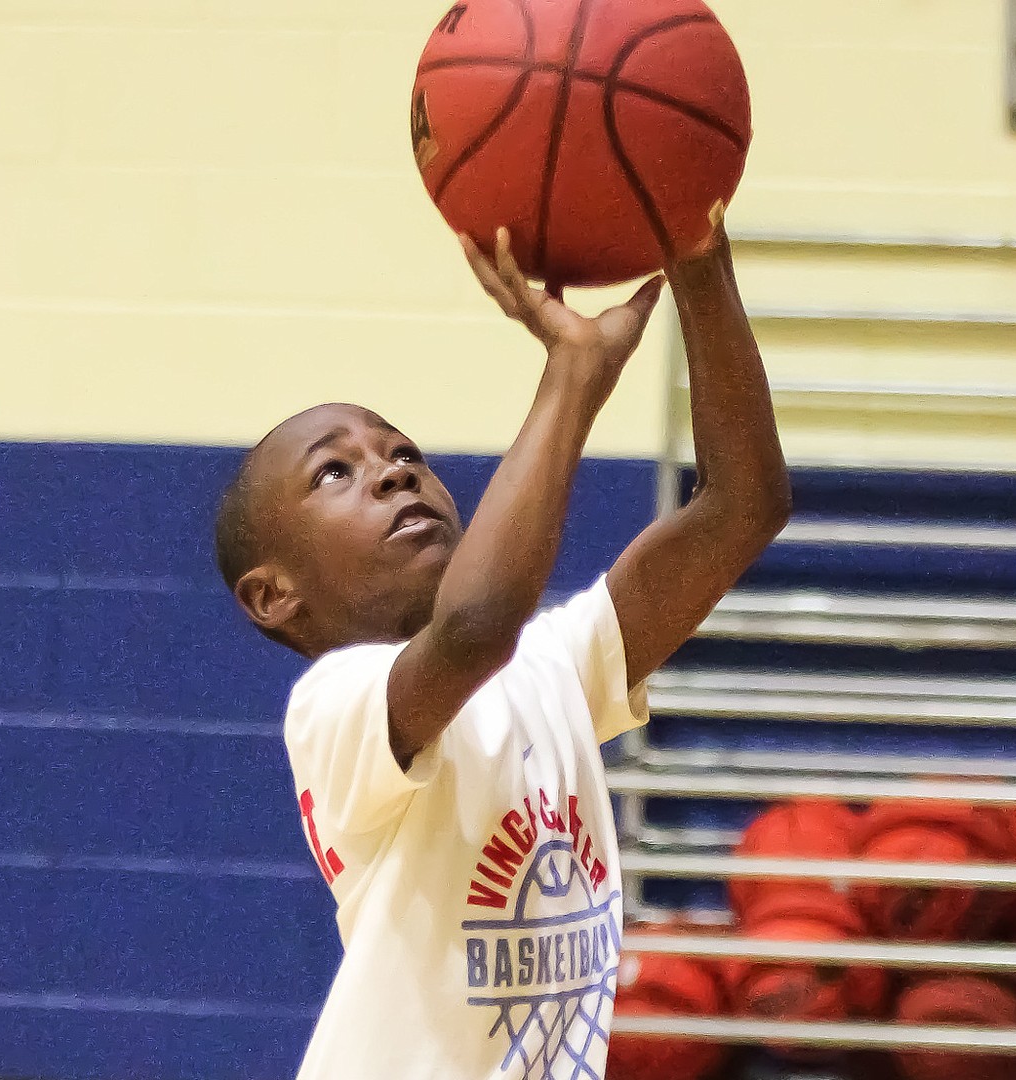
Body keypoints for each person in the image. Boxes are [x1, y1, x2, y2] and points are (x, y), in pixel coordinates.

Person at [213, 213, 789, 1079]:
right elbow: (477, 626)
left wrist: (700, 260)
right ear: (273, 595)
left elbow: (744, 506)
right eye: (336, 472)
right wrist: (574, 378)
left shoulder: (549, 666)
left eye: (403, 452)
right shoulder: (330, 711)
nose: (393, 470)